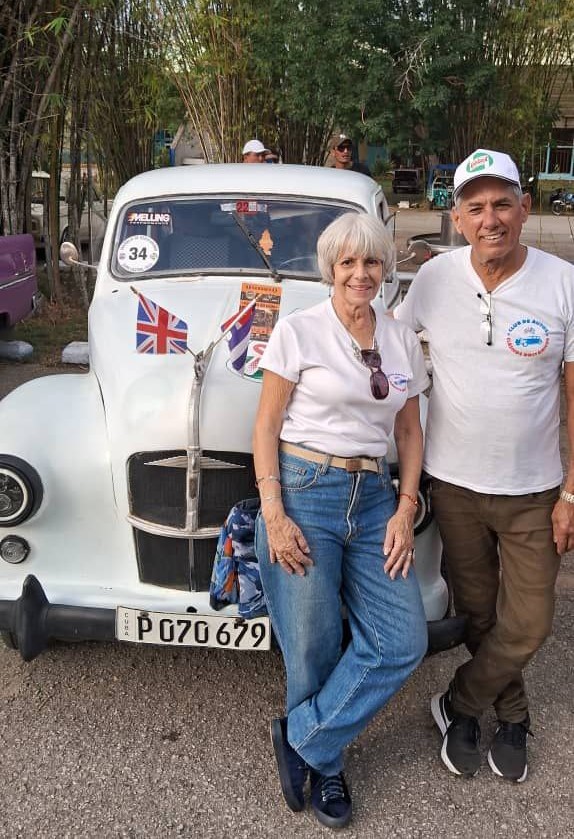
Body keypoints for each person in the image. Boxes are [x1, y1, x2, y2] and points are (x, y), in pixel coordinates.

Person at [394, 148, 574, 783]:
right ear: (458, 217)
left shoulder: (562, 283)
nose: (490, 218)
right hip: (454, 485)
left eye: (503, 204)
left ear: (525, 208)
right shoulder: (435, 279)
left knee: (529, 621)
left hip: (533, 492)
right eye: (476, 207)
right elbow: (384, 348)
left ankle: (460, 702)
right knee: (478, 611)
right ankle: (513, 712)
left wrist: (571, 492)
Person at [252, 212, 430, 828]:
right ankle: (327, 766)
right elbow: (266, 427)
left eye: (372, 262)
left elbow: (408, 431)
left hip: (376, 496)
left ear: (386, 268)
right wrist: (273, 512)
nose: (361, 274)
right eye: (349, 263)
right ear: (331, 268)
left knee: (404, 640)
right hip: (306, 491)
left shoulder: (401, 337)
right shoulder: (299, 330)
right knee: (313, 642)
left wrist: (405, 508)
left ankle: (302, 737)